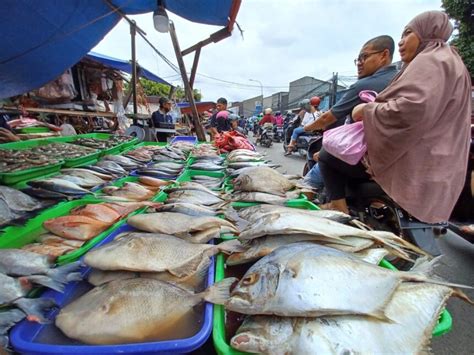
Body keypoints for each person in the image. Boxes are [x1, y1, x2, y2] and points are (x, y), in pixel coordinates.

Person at [319, 11, 471, 223]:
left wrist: (365, 111)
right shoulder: (455, 64)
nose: (401, 42)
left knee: (327, 155)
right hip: (442, 165)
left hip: (413, 163)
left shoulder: (429, 60)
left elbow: (409, 110)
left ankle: (339, 208)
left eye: (408, 33)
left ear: (427, 33)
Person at [303, 35, 398, 189]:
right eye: (358, 59)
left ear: (384, 55)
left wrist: (306, 128)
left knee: (324, 160)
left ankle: (337, 207)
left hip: (370, 157)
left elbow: (327, 118)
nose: (359, 63)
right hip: (395, 155)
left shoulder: (364, 85)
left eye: (364, 57)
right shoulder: (402, 79)